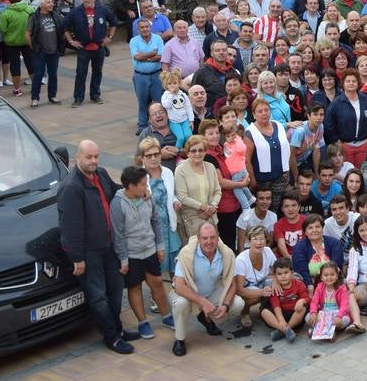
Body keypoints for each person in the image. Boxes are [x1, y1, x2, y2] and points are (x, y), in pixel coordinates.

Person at [57, 140, 138, 354]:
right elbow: (70, 227)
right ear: (78, 158)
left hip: (109, 246)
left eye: (96, 156)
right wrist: (77, 258)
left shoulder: (100, 174)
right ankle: (111, 336)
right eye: (89, 157)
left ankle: (118, 329)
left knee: (114, 290)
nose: (93, 161)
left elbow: (115, 191)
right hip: (89, 253)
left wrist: (134, 189)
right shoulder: (71, 187)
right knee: (98, 296)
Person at [111, 165, 173, 340]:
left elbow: (156, 221)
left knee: (157, 283)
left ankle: (167, 316)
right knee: (134, 287)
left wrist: (160, 245)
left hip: (150, 249)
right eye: (143, 184)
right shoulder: (118, 204)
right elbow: (118, 234)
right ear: (130, 186)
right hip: (131, 254)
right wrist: (123, 259)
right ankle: (143, 322)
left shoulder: (147, 197)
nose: (146, 187)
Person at [168, 221, 243, 357]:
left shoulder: (226, 253)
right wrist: (202, 302)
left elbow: (232, 284)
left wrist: (225, 305)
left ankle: (205, 317)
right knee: (180, 304)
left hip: (210, 293)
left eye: (212, 237)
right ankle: (180, 340)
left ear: (218, 236)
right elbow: (179, 286)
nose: (209, 242)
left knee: (238, 304)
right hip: (186, 294)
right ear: (198, 238)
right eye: (205, 238)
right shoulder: (186, 253)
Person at [66, 0, 114, 107]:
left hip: (99, 48)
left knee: (97, 72)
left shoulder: (102, 10)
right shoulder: (75, 12)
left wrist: (110, 37)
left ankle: (95, 95)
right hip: (83, 48)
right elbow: (64, 27)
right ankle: (78, 98)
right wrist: (71, 41)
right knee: (81, 73)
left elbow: (113, 22)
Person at [26, 0, 65, 106]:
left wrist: (60, 45)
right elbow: (27, 34)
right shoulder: (34, 17)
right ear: (41, 4)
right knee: (38, 75)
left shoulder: (56, 15)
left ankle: (52, 96)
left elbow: (62, 30)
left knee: (53, 74)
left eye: (52, 2)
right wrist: (33, 47)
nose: (51, 4)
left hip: (54, 51)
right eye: (48, 2)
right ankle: (35, 98)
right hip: (40, 52)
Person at [129, 18, 166, 133]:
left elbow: (161, 55)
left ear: (150, 27)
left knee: (159, 102)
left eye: (147, 27)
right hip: (140, 76)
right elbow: (137, 57)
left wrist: (145, 57)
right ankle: (143, 126)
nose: (145, 29)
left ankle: (160, 125)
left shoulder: (158, 38)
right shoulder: (134, 41)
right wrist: (152, 54)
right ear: (138, 29)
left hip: (156, 75)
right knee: (142, 101)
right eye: (142, 27)